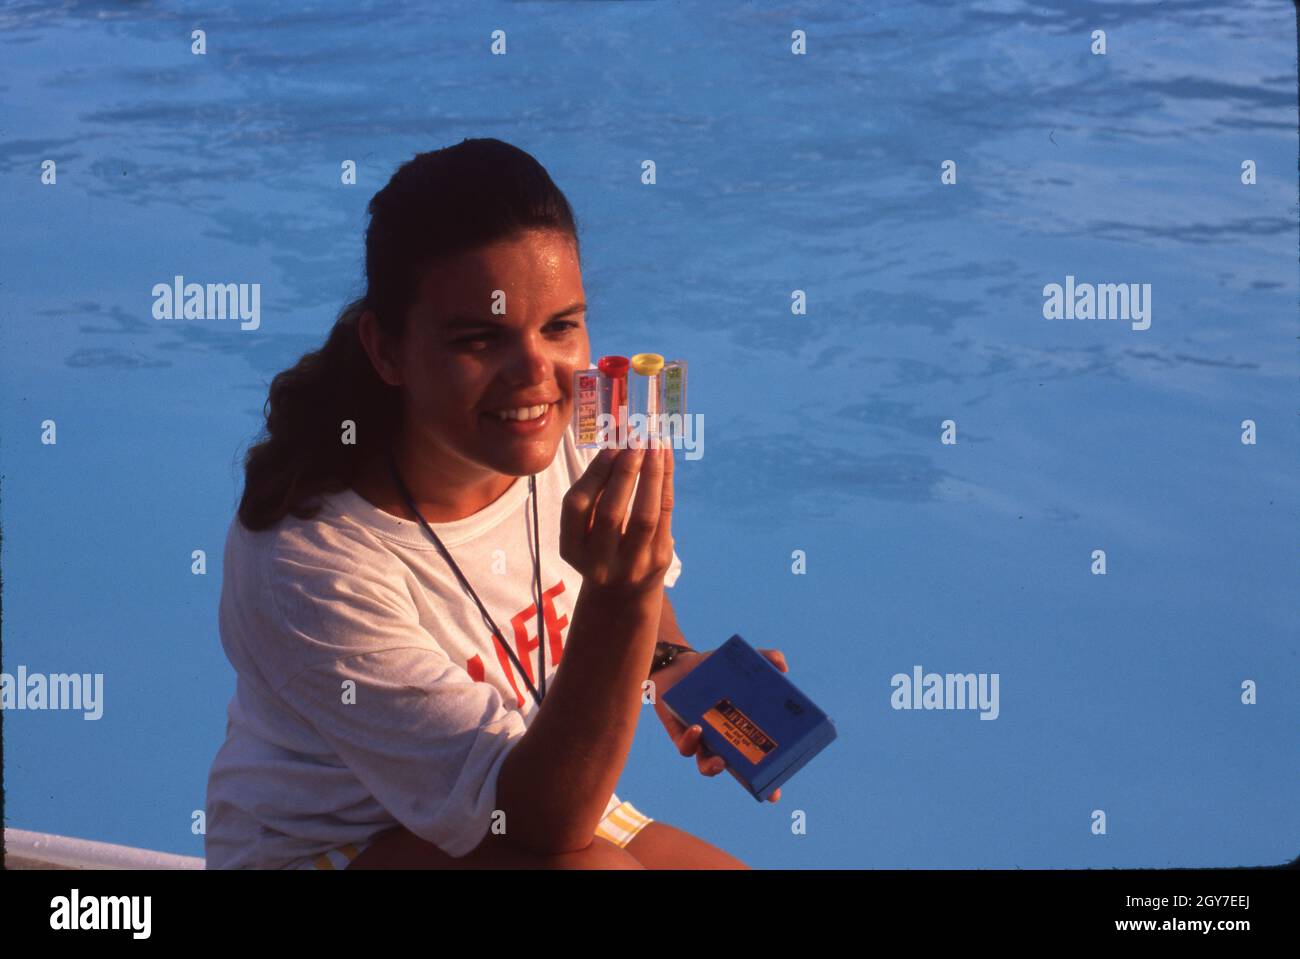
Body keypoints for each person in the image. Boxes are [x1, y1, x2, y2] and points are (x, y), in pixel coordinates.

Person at [203, 138, 787, 870]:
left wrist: (668, 660)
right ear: (387, 350)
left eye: (560, 326)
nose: (536, 376)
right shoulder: (308, 563)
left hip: (526, 778)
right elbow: (536, 824)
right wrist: (621, 593)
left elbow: (627, 634)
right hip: (336, 843)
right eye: (481, 338)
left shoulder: (576, 427)